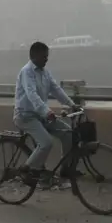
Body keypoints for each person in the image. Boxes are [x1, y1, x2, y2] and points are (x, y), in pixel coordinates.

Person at [14, 41, 78, 184]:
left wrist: (72, 105)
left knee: (68, 134)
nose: (46, 59)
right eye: (44, 56)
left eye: (47, 56)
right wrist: (47, 111)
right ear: (34, 56)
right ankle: (27, 169)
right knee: (46, 143)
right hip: (26, 116)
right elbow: (32, 95)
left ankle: (65, 168)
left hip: (41, 115)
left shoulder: (45, 72)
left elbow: (56, 90)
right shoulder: (27, 72)